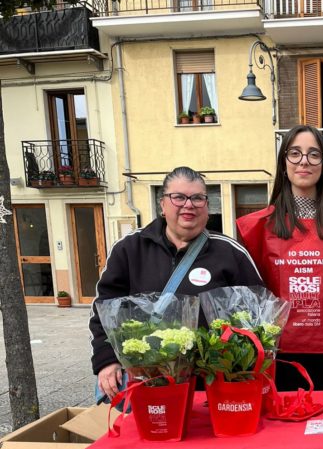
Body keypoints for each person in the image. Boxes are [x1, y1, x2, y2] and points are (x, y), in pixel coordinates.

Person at [90, 166, 263, 400]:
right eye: (178, 197)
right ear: (162, 204)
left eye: (197, 198)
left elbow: (257, 315)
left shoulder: (230, 252)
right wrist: (107, 360)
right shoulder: (129, 249)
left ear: (207, 206)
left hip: (212, 385)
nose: (188, 205)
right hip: (146, 381)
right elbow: (104, 310)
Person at [236, 125, 323, 391]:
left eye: (314, 154)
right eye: (295, 153)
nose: (304, 161)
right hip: (280, 353)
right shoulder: (256, 227)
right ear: (283, 162)